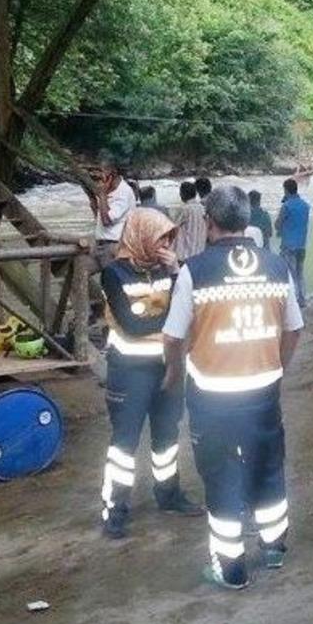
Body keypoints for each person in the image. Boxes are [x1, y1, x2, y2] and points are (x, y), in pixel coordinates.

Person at [161, 186, 304, 589]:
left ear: (209, 223)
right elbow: (294, 328)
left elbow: (173, 338)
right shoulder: (276, 266)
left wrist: (174, 374)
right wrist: (278, 365)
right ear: (246, 220)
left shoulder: (195, 271)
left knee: (222, 475)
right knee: (268, 464)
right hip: (263, 388)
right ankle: (275, 547)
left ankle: (231, 567)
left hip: (213, 394)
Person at [98, 209, 203, 539]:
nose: (166, 244)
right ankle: (115, 509)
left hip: (168, 366)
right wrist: (172, 322)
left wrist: (175, 272)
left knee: (167, 438)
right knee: (124, 443)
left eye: (170, 238)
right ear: (141, 234)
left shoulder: (170, 271)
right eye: (162, 237)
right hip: (129, 372)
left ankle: (168, 494)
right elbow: (130, 324)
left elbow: (192, 307)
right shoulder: (114, 274)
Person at [91, 162, 138, 270]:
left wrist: (102, 195)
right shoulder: (111, 190)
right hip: (102, 244)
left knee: (113, 280)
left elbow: (107, 220)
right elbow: (100, 218)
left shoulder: (123, 192)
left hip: (113, 245)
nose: (99, 176)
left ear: (113, 174)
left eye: (102, 171)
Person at [275, 178, 310, 308]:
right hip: (302, 244)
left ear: (286, 190)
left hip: (288, 245)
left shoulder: (286, 206)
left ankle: (293, 301)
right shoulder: (305, 205)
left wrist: (281, 227)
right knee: (300, 273)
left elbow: (277, 224)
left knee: (291, 274)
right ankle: (302, 299)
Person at [173, 181, 207, 263]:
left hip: (185, 255)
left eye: (180, 193)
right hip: (199, 252)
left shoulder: (184, 209)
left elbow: (174, 227)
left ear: (183, 194)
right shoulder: (203, 209)